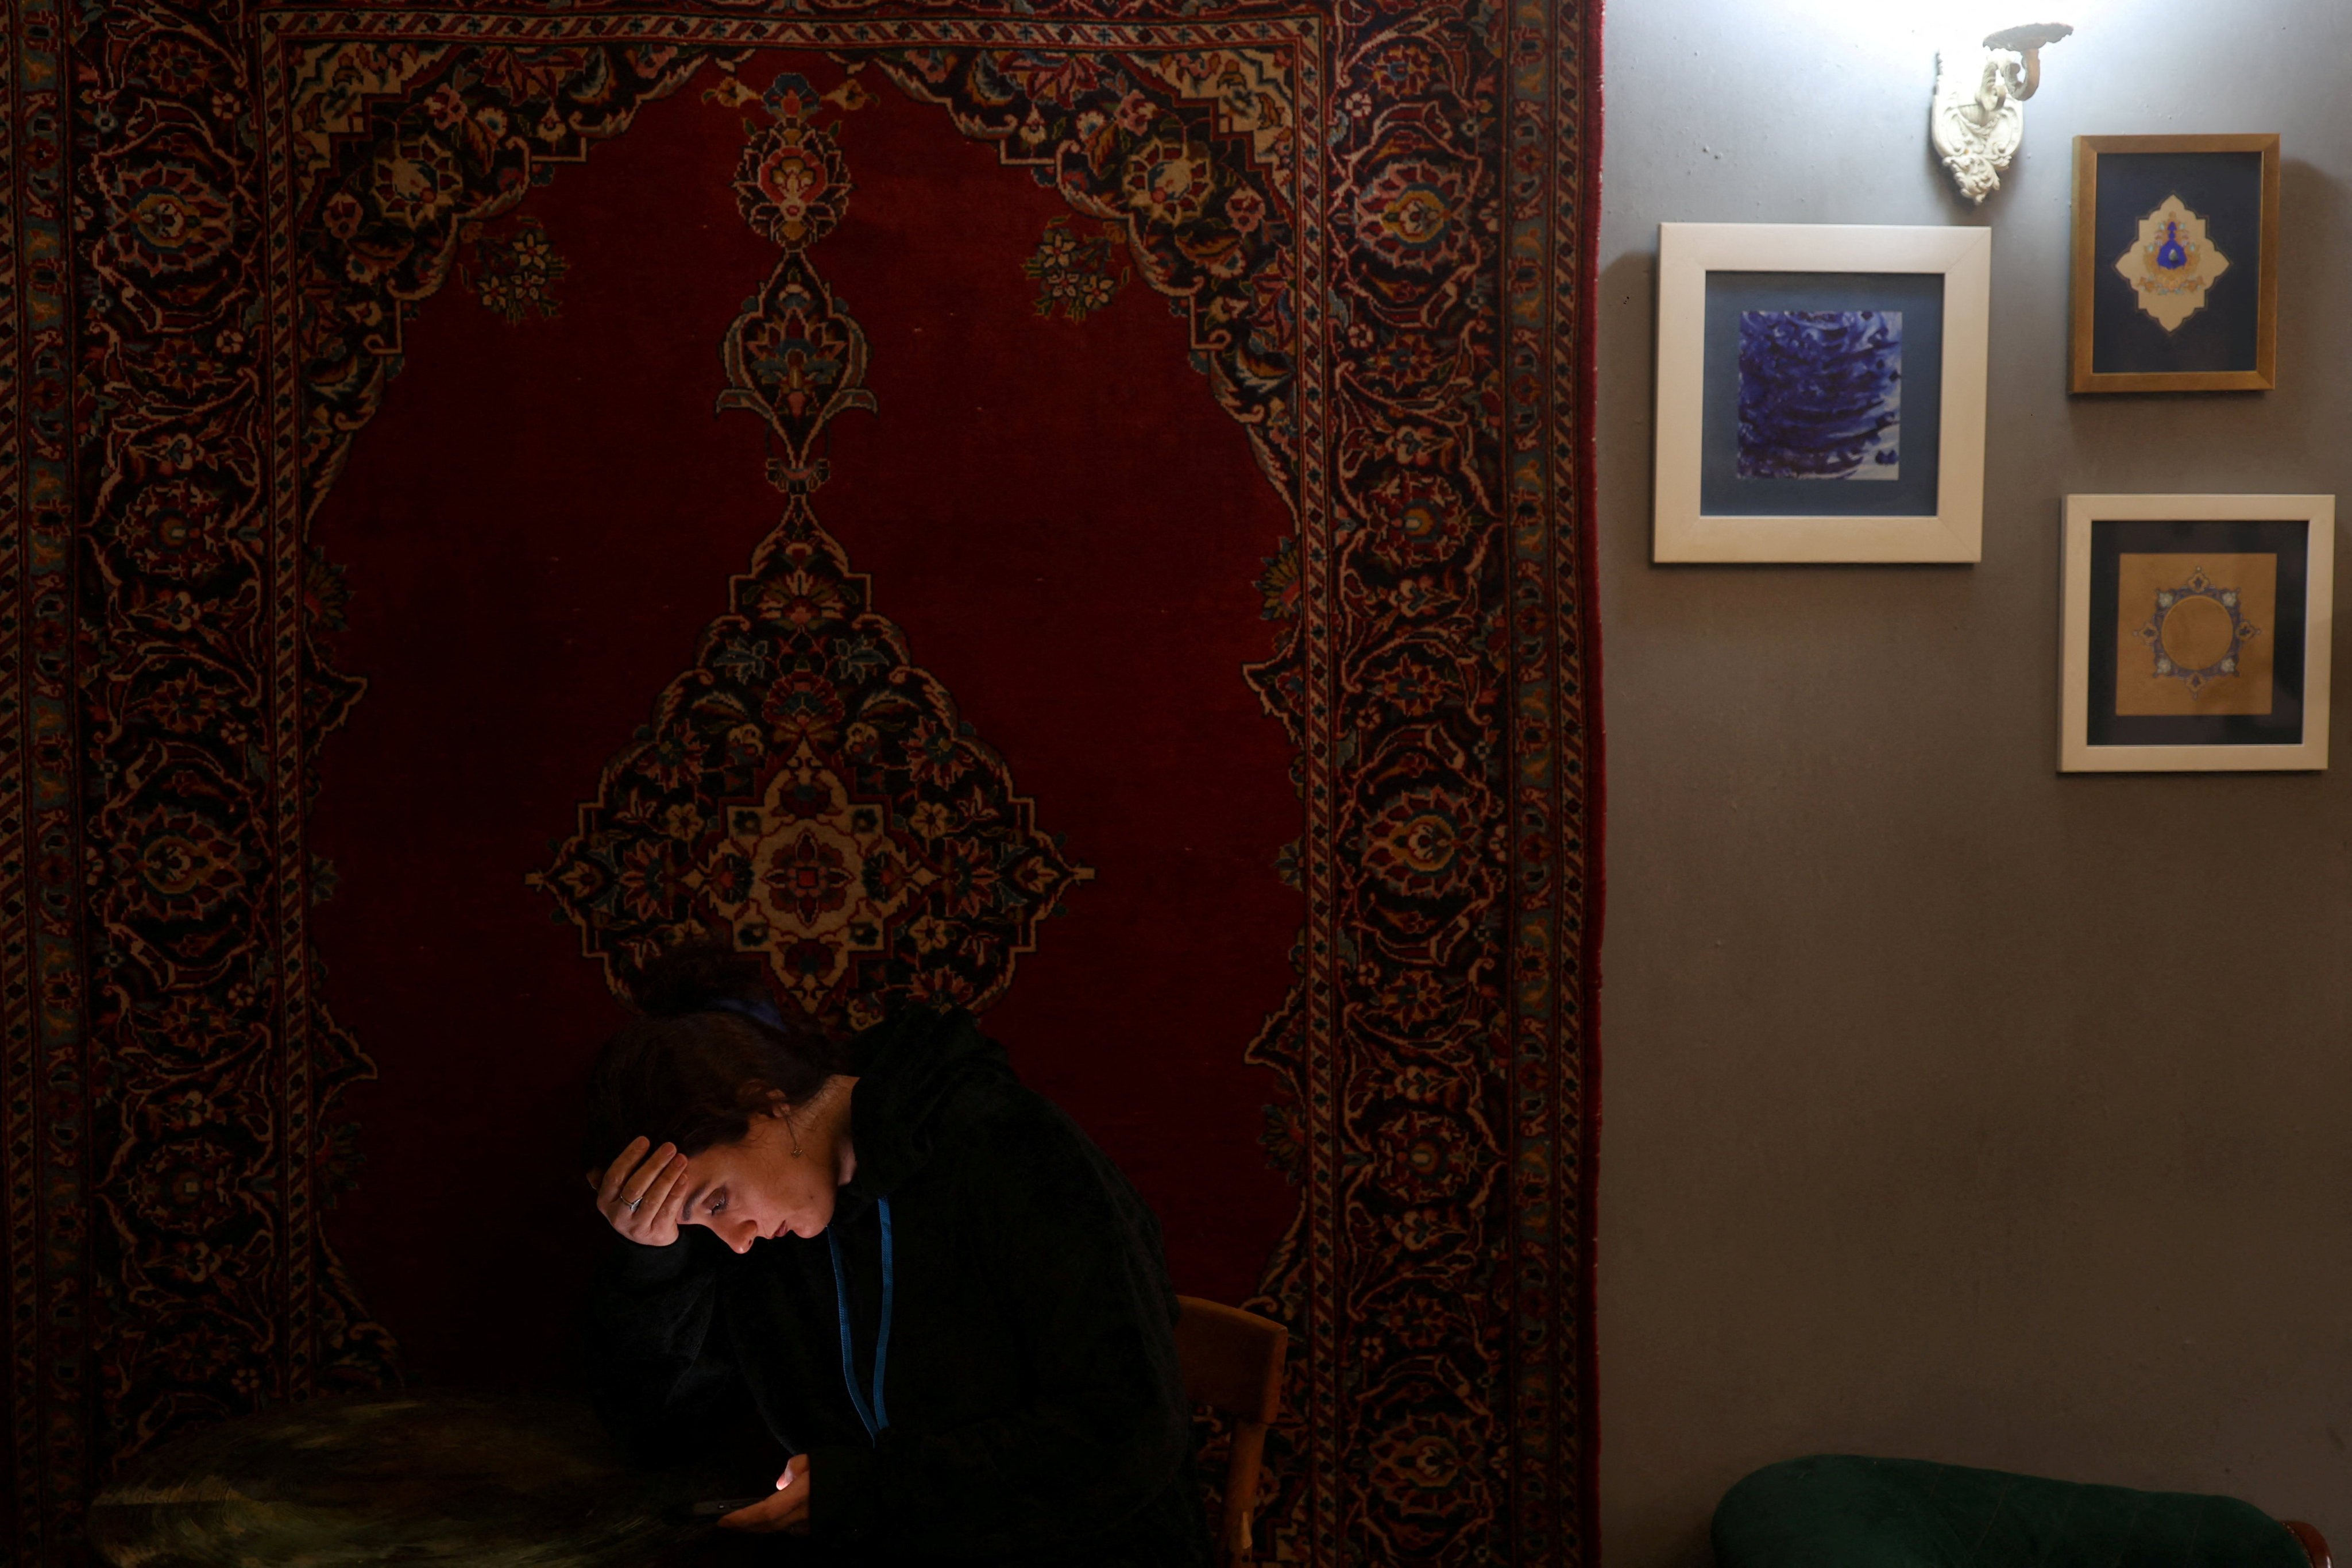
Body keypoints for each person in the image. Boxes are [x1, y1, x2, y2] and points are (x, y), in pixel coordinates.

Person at [580, 944, 1211, 1566]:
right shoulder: (772, 1227)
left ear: (767, 1104)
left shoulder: (1007, 1146)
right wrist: (654, 1261)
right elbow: (663, 1439)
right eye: (701, 1226)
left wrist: (866, 1498)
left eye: (716, 1202)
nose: (737, 1239)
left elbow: (1126, 1433)